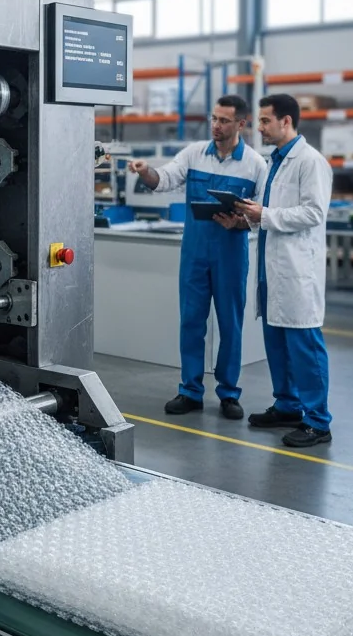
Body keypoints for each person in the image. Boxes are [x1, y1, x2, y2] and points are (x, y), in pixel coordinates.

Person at [128, 95, 266, 419]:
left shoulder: (255, 165)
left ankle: (229, 394)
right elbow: (163, 180)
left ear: (241, 124)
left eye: (224, 120)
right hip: (195, 253)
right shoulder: (193, 155)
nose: (216, 126)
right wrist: (145, 170)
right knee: (191, 321)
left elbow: (262, 212)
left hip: (232, 252)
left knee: (230, 324)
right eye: (214, 118)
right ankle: (190, 391)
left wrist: (241, 221)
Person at [235, 93, 334, 448]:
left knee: (304, 346)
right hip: (271, 268)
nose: (259, 127)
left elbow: (313, 213)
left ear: (286, 122)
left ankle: (318, 422)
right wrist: (247, 217)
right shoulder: (274, 162)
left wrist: (266, 216)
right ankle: (289, 406)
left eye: (265, 121)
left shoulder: (310, 162)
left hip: (296, 272)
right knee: (276, 342)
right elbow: (271, 211)